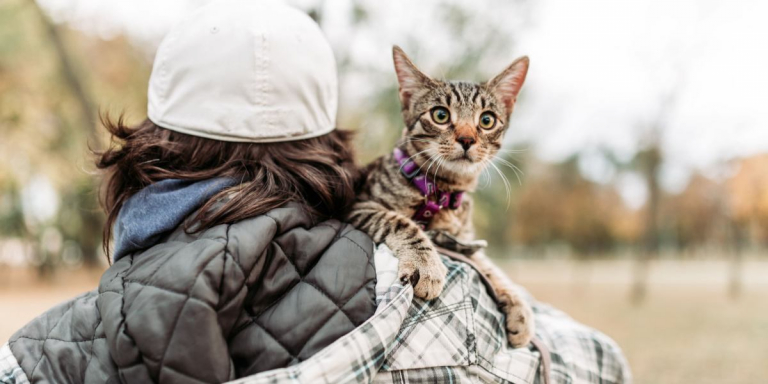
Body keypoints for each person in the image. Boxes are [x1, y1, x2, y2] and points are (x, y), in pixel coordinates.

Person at [0, 1, 631, 383]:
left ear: (146, 148)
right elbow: (602, 363)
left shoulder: (34, 358)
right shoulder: (455, 314)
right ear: (330, 146)